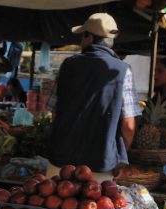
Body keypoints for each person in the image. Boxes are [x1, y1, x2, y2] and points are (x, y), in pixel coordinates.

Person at [47, 12, 139, 181]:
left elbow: (54, 113)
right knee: (95, 208)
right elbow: (129, 126)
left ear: (88, 37)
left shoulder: (68, 65)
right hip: (100, 164)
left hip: (61, 162)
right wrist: (120, 158)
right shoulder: (122, 70)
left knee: (54, 207)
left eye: (82, 36)